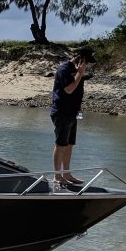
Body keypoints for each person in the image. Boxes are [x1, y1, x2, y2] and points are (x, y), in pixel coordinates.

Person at [50, 46, 96, 187]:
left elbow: (77, 92)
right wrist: (80, 74)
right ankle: (57, 176)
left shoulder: (77, 72)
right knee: (61, 144)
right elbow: (69, 89)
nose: (87, 65)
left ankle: (66, 173)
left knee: (69, 144)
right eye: (86, 62)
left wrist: (79, 109)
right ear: (80, 59)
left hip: (72, 113)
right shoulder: (63, 70)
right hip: (61, 112)